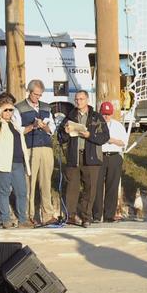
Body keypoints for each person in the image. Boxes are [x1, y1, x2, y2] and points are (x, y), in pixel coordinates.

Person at [56, 90, 109, 227]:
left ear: (87, 100)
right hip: (74, 157)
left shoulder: (96, 117)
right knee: (72, 188)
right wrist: (65, 133)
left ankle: (86, 216)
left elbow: (105, 137)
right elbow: (60, 137)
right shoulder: (70, 116)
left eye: (81, 99)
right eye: (76, 99)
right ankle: (71, 216)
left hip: (91, 158)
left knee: (89, 189)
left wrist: (89, 135)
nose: (78, 102)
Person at [0, 94, 30, 228]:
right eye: (6, 110)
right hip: (3, 162)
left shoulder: (13, 124)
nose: (9, 112)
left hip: (18, 162)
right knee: (3, 191)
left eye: (11, 110)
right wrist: (1, 107)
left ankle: (23, 219)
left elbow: (22, 133)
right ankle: (5, 219)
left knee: (21, 191)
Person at [18, 79, 58, 226]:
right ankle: (30, 215)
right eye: (35, 95)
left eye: (40, 95)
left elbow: (52, 129)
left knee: (46, 182)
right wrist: (32, 126)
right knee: (30, 183)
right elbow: (19, 130)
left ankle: (47, 215)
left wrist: (45, 127)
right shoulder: (19, 108)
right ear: (29, 92)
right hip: (29, 147)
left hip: (46, 147)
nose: (37, 98)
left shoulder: (46, 107)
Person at [92, 101, 129, 223]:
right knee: (97, 185)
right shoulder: (95, 124)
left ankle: (109, 214)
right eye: (104, 114)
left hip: (114, 156)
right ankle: (96, 215)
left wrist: (111, 140)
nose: (106, 116)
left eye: (108, 114)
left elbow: (123, 142)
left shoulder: (118, 126)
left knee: (112, 186)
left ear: (112, 113)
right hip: (100, 155)